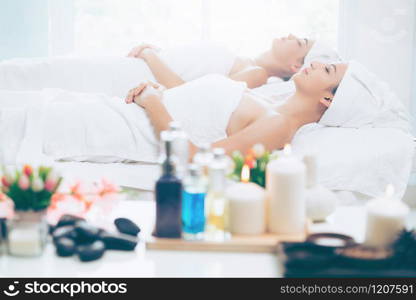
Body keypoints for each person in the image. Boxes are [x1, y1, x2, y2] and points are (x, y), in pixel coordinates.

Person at [125, 61, 347, 157]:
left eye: (327, 70)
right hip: (128, 111)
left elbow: (194, 159)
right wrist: (160, 93)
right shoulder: (266, 101)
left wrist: (153, 101)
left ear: (328, 98)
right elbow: (195, 111)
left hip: (129, 129)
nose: (316, 63)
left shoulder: (279, 125)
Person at [128, 34, 314, 89]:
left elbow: (184, 93)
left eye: (299, 42)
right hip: (138, 65)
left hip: (138, 77)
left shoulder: (257, 74)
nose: (290, 35)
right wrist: (155, 52)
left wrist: (149, 55)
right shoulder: (242, 59)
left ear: (296, 66)